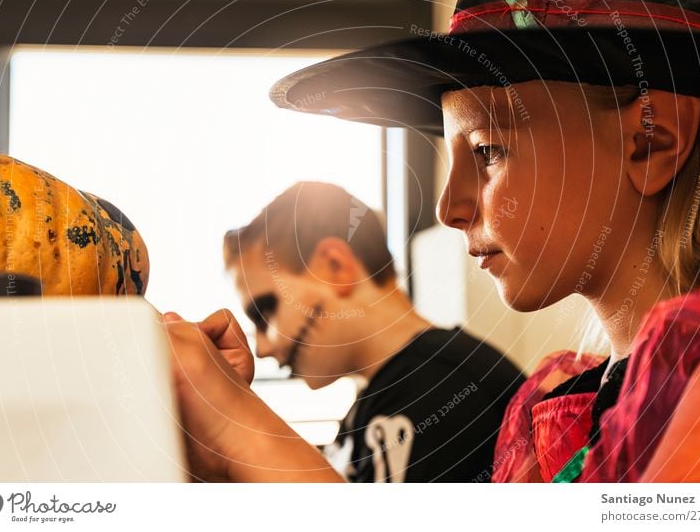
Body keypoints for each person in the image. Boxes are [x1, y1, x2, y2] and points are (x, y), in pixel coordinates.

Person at [165, 0, 700, 482]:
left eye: (487, 150)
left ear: (649, 143)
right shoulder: (552, 408)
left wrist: (238, 434)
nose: (450, 209)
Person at [218, 181, 524, 482]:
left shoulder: (441, 388)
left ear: (335, 266)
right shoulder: (380, 399)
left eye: (264, 313)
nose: (261, 348)